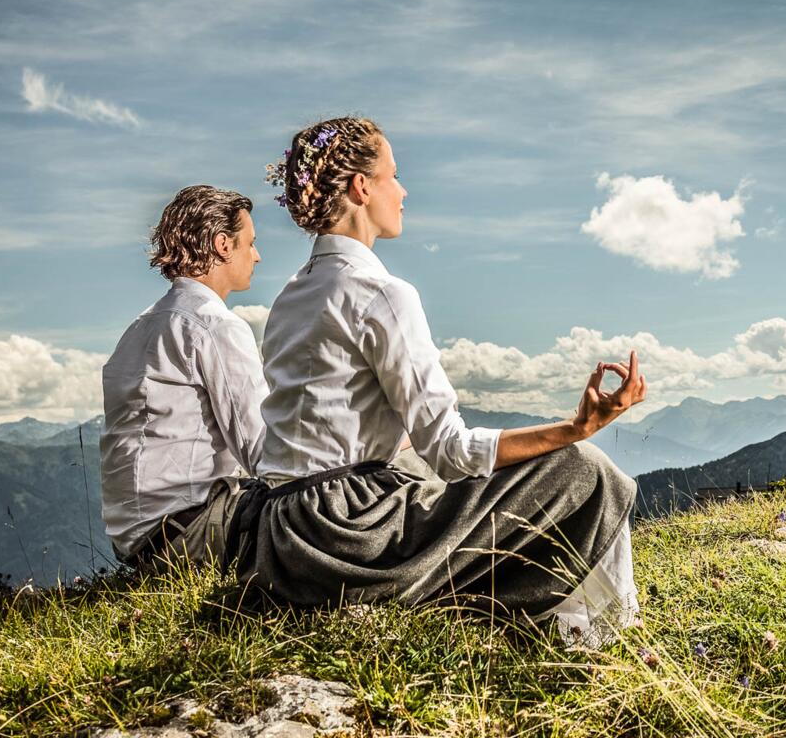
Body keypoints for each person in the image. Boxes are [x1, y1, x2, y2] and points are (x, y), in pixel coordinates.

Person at [231, 117, 646, 644]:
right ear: (362, 187)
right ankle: (602, 635)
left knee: (414, 470)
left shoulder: (292, 294)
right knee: (585, 470)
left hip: (282, 535)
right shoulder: (381, 293)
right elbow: (449, 450)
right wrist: (575, 427)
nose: (402, 192)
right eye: (393, 176)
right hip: (345, 535)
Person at [100, 184, 267, 567]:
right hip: (191, 535)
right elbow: (262, 450)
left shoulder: (139, 327)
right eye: (251, 243)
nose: (256, 256)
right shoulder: (213, 325)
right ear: (223, 244)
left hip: (137, 545)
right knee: (324, 499)